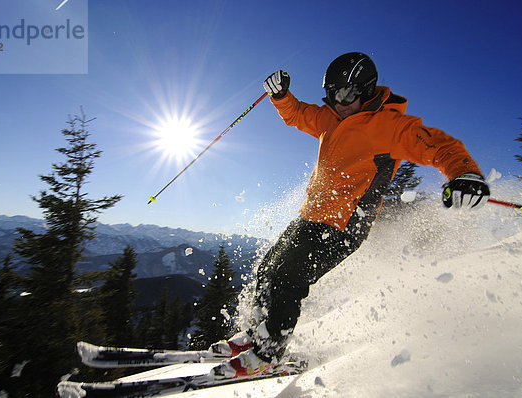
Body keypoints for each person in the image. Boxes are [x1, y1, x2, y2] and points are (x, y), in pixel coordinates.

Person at [210, 52, 490, 378]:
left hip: (344, 226)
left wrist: (464, 173)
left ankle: (269, 354)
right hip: (311, 216)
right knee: (269, 267)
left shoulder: (389, 126)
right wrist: (282, 96)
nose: (337, 102)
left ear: (367, 89)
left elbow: (439, 145)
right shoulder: (331, 117)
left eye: (344, 94)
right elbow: (299, 115)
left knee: (288, 276)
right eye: (330, 94)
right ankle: (259, 330)